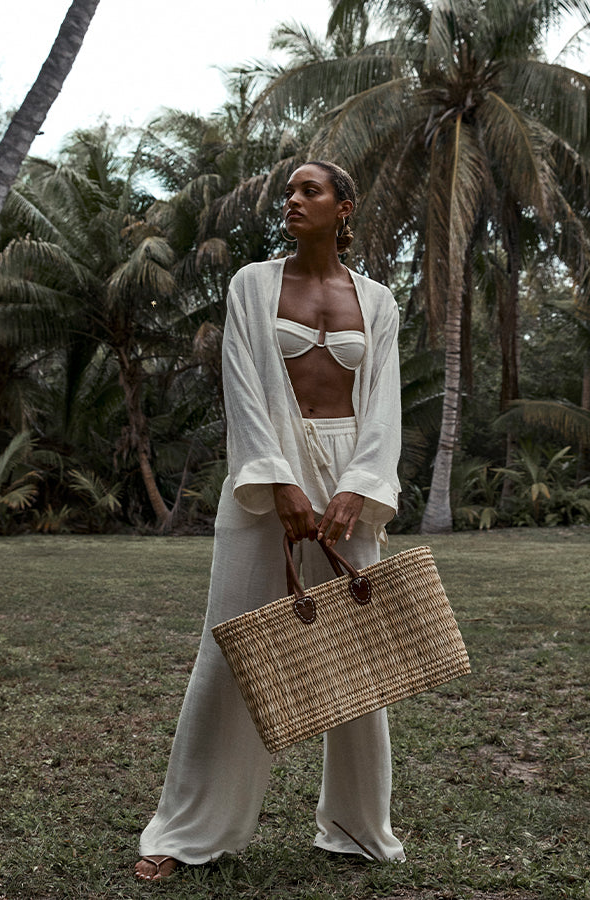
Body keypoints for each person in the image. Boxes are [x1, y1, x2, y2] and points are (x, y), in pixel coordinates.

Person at [134, 160, 404, 881]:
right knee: (232, 647)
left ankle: (354, 827)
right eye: (287, 191)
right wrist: (278, 482)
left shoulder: (378, 301)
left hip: (351, 473)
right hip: (267, 475)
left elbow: (383, 404)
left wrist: (359, 487)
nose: (291, 201)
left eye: (308, 191)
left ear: (344, 207)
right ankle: (189, 830)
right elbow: (243, 385)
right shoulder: (253, 284)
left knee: (354, 653)